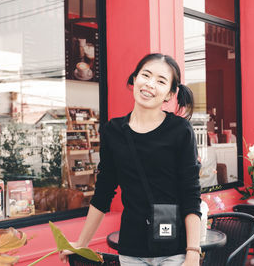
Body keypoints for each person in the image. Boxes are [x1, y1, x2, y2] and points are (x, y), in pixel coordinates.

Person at [60, 53, 201, 266]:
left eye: (161, 81)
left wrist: (192, 252)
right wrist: (81, 242)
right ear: (134, 79)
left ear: (169, 94)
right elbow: (103, 192)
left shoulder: (180, 131)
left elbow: (191, 193)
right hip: (131, 249)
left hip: (175, 249)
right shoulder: (113, 131)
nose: (150, 84)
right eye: (146, 75)